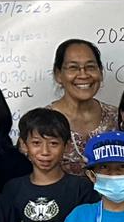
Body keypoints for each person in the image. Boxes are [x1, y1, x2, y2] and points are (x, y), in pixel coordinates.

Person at [48, 39, 118, 175]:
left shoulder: (117, 118)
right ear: (58, 75)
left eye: (90, 67)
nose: (83, 75)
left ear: (101, 72)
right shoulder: (41, 123)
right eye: (73, 67)